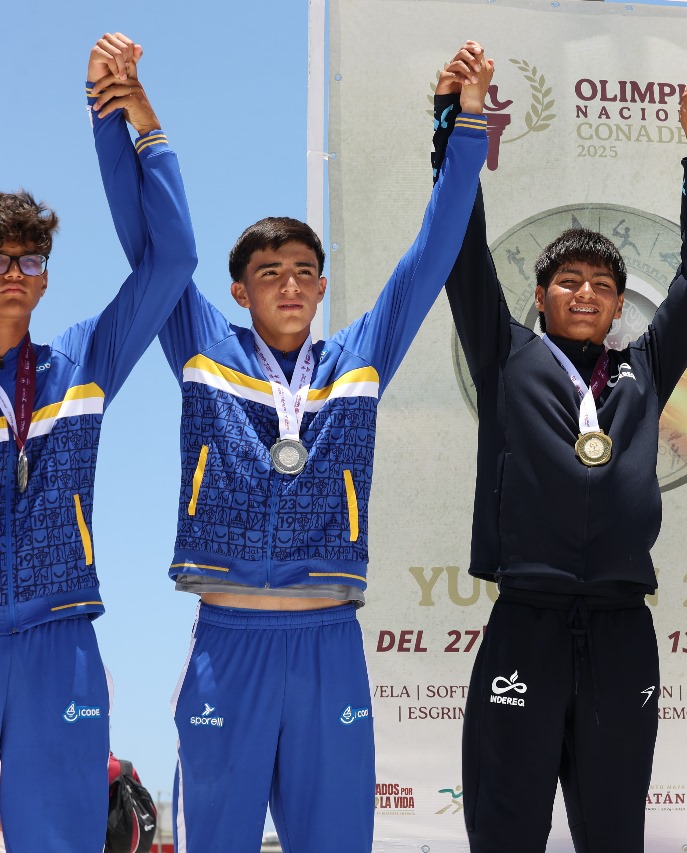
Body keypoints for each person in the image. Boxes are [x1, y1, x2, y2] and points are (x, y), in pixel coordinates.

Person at [90, 33, 490, 852]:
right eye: (270, 272)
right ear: (239, 291)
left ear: (323, 285)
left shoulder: (360, 356)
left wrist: (469, 125)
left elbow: (433, 251)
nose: (291, 283)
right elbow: (150, 248)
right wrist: (123, 123)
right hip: (227, 641)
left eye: (305, 270)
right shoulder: (203, 344)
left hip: (327, 641)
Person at [433, 55, 687, 852]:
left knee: (615, 829)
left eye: (601, 283)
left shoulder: (644, 370)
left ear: (621, 303)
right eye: (568, 279)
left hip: (623, 626)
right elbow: (460, 247)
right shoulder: (505, 354)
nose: (585, 291)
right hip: (525, 617)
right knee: (507, 827)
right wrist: (455, 123)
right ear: (540, 294)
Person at [0, 33, 197, 851]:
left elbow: (173, 260)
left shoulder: (80, 361)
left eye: (29, 260)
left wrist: (129, 122)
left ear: (46, 276)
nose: (13, 273)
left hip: (60, 638)